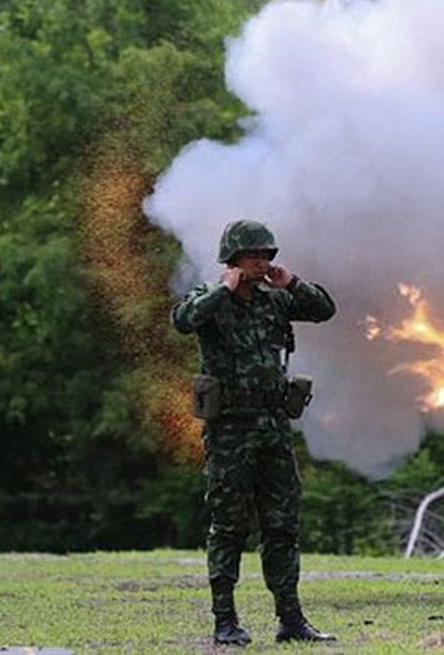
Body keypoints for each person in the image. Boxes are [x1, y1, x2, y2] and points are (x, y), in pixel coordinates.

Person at [172, 219, 338, 645]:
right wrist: (223, 289)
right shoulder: (213, 300)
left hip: (273, 428)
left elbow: (324, 309)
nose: (262, 262)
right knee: (229, 524)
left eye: (267, 255)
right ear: (232, 258)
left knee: (282, 524)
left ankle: (291, 618)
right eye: (254, 255)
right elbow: (183, 319)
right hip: (230, 430)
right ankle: (225, 620)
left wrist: (292, 282)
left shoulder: (275, 301)